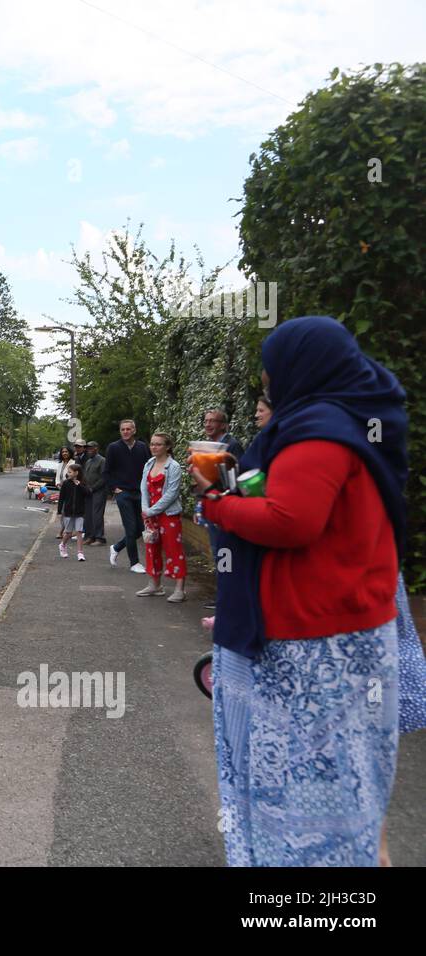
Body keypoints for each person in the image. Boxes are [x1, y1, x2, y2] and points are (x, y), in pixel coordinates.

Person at [195, 316, 407, 867]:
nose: (266, 381)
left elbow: (293, 520)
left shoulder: (317, 429)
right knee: (347, 783)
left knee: (307, 787)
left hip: (314, 642)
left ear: (298, 367)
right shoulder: (355, 419)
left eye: (271, 369)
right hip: (345, 625)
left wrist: (218, 504)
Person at [136, 432, 186, 602]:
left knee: (174, 549)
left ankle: (180, 589)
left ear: (167, 447)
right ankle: (155, 585)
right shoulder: (149, 463)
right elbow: (143, 487)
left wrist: (151, 511)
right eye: (152, 444)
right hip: (150, 513)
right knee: (151, 548)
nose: (154, 447)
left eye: (158, 444)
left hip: (168, 514)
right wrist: (145, 509)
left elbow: (172, 493)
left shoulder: (174, 467)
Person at [103, 420, 150, 573]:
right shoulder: (114, 448)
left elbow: (148, 468)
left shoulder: (142, 448)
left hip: (140, 493)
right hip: (123, 493)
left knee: (139, 529)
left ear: (134, 430)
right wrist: (114, 488)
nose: (125, 432)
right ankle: (134, 563)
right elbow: (106, 471)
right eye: (123, 429)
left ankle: (116, 547)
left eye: (128, 429)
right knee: (130, 529)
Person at [56, 462, 90, 561]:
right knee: (69, 533)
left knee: (79, 532)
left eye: (70, 472)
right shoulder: (66, 483)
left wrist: (80, 486)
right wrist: (59, 511)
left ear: (76, 473)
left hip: (79, 512)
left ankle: (80, 553)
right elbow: (61, 498)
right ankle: (62, 545)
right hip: (68, 512)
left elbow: (88, 493)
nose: (68, 474)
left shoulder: (82, 483)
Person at [82, 440, 107, 545]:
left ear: (96, 448)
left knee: (97, 515)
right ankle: (90, 536)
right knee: (88, 515)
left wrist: (93, 488)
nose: (89, 450)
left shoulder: (102, 460)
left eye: (91, 448)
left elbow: (104, 477)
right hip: (88, 491)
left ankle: (99, 538)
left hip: (99, 491)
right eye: (87, 448)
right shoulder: (88, 461)